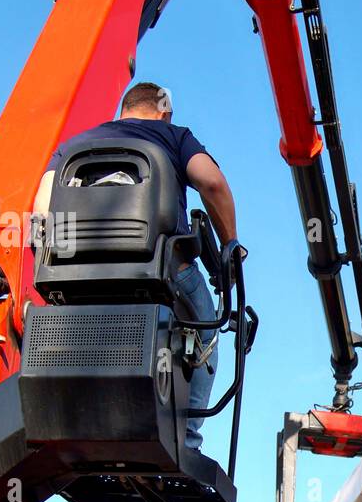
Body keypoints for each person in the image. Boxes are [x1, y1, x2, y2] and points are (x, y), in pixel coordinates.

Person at [33, 82, 241, 451]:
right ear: (164, 112)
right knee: (207, 334)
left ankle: (81, 428)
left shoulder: (75, 145)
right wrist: (229, 244)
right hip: (160, 269)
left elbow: (40, 211)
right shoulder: (174, 137)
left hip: (78, 273)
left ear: (124, 109)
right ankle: (186, 441)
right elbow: (211, 182)